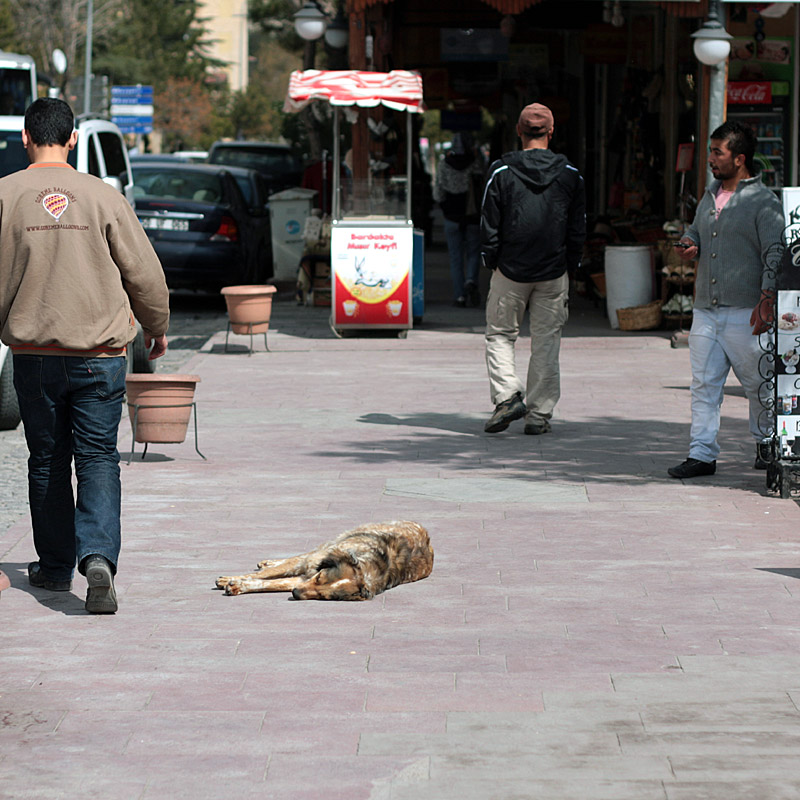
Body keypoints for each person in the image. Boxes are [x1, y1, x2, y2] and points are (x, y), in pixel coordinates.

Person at [0, 98, 170, 613]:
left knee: (46, 460)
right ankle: (97, 557)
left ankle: (53, 568)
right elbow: (144, 273)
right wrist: (156, 327)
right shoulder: (103, 196)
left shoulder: (5, 195)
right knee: (98, 458)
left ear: (27, 138)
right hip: (101, 354)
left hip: (33, 355)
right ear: (72, 139)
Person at [668, 120, 783, 479]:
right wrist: (690, 242)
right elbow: (696, 228)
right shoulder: (709, 194)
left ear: (740, 159)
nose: (711, 159)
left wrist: (767, 300)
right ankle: (701, 454)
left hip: (747, 312)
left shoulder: (763, 202)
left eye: (718, 152)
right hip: (706, 311)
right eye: (710, 151)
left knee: (758, 385)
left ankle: (767, 446)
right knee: (703, 385)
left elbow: (775, 254)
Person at [481, 102, 586, 435]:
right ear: (551, 133)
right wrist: (570, 266)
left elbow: (488, 223)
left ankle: (508, 396)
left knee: (499, 335)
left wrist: (492, 261)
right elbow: (577, 228)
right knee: (546, 341)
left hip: (509, 270)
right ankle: (538, 415)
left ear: (518, 131)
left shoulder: (500, 172)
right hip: (553, 271)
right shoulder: (570, 175)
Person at [433, 132, 484, 307]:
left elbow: (438, 192)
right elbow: (482, 188)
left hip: (451, 217)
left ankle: (459, 296)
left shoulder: (443, 165)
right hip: (472, 216)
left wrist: (445, 206)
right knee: (473, 252)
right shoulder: (476, 163)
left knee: (455, 257)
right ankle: (470, 279)